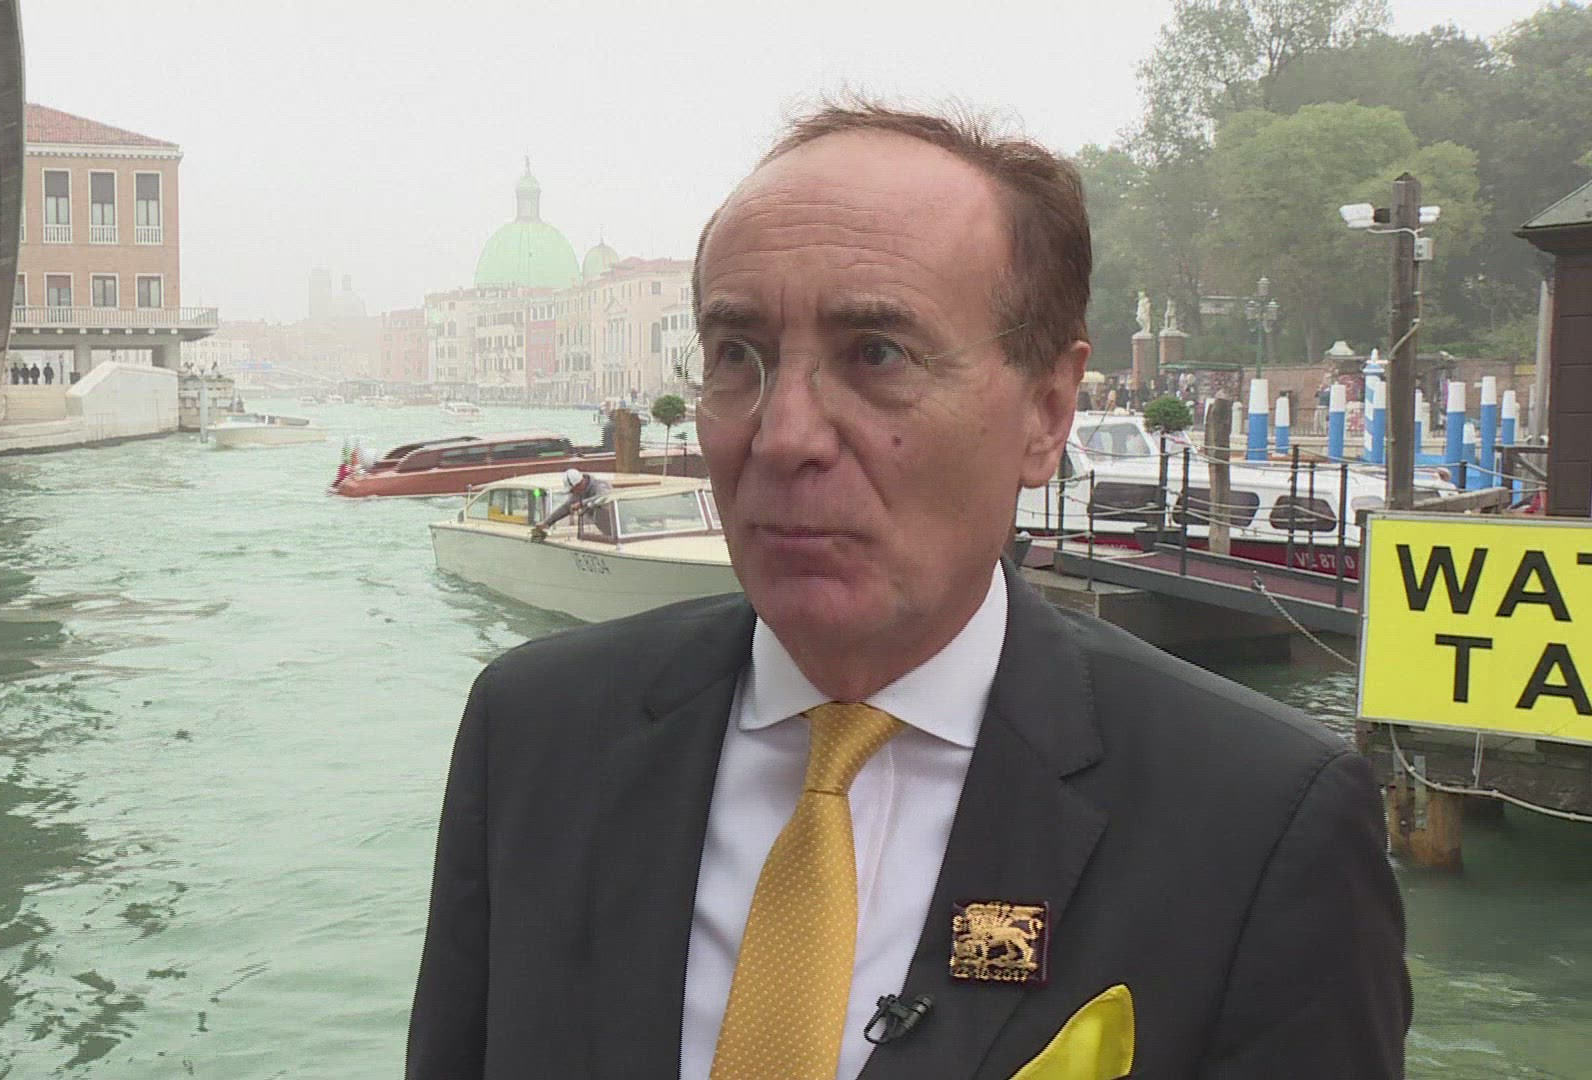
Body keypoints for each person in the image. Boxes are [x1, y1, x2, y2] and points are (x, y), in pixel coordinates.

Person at [410, 100, 1408, 1080]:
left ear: (1047, 412)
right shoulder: (536, 735)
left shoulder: (1256, 822)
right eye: (736, 357)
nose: (784, 436)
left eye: (876, 354)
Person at [528, 468, 612, 541]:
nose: (572, 493)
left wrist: (582, 504)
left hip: (615, 529)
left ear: (579, 484)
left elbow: (604, 497)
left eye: (572, 490)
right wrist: (546, 523)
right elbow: (566, 508)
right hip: (604, 531)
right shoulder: (578, 493)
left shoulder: (600, 486)